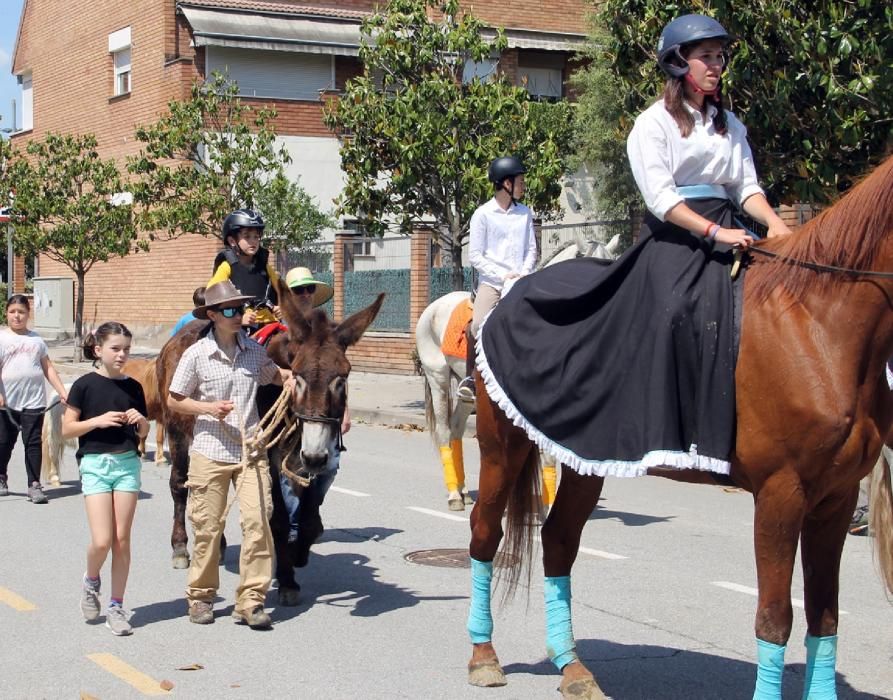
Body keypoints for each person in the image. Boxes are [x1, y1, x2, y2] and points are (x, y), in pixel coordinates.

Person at [167, 280, 293, 630]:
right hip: (210, 450)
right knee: (207, 528)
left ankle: (251, 601)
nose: (238, 315)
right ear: (212, 315)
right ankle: (201, 596)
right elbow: (174, 399)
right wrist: (207, 408)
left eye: (240, 309)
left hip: (250, 450)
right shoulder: (195, 355)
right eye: (230, 310)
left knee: (258, 522)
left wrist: (298, 378)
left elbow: (274, 376)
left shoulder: (253, 350)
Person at [62, 322, 149, 636]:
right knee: (102, 540)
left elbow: (144, 433)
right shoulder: (84, 385)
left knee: (121, 539)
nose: (122, 354)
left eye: (126, 348)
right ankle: (91, 580)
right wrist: (97, 421)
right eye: (115, 348)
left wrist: (141, 423)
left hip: (127, 464)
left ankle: (116, 605)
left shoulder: (134, 387)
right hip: (96, 464)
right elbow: (67, 429)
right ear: (98, 350)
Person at [455, 156, 537, 401]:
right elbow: (476, 256)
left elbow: (531, 249)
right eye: (520, 181)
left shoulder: (524, 213)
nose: (523, 186)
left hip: (521, 280)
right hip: (493, 283)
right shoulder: (483, 214)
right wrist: (503, 275)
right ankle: (471, 375)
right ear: (506, 184)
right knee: (478, 324)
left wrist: (523, 272)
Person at [275, 266, 344, 549]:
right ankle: (292, 525)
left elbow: (337, 375)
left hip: (321, 415)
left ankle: (310, 511)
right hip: (285, 414)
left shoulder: (328, 332)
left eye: (309, 289)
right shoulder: (275, 328)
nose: (304, 294)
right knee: (289, 471)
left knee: (330, 467)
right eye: (297, 290)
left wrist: (345, 412)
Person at [0, 294, 69, 503]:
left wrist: (62, 391)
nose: (17, 316)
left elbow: (48, 368)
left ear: (28, 314)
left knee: (33, 443)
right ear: (6, 313)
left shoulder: (37, 340)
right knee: (4, 442)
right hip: (7, 403)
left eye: (21, 312)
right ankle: (1, 477)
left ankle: (34, 485)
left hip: (34, 401)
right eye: (12, 312)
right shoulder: (2, 338)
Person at [207, 209, 281, 331]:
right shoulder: (227, 267)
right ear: (232, 241)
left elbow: (283, 292)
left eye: (256, 237)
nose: (253, 241)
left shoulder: (265, 266)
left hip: (270, 325)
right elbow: (212, 296)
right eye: (247, 237)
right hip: (240, 328)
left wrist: (282, 308)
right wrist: (239, 318)